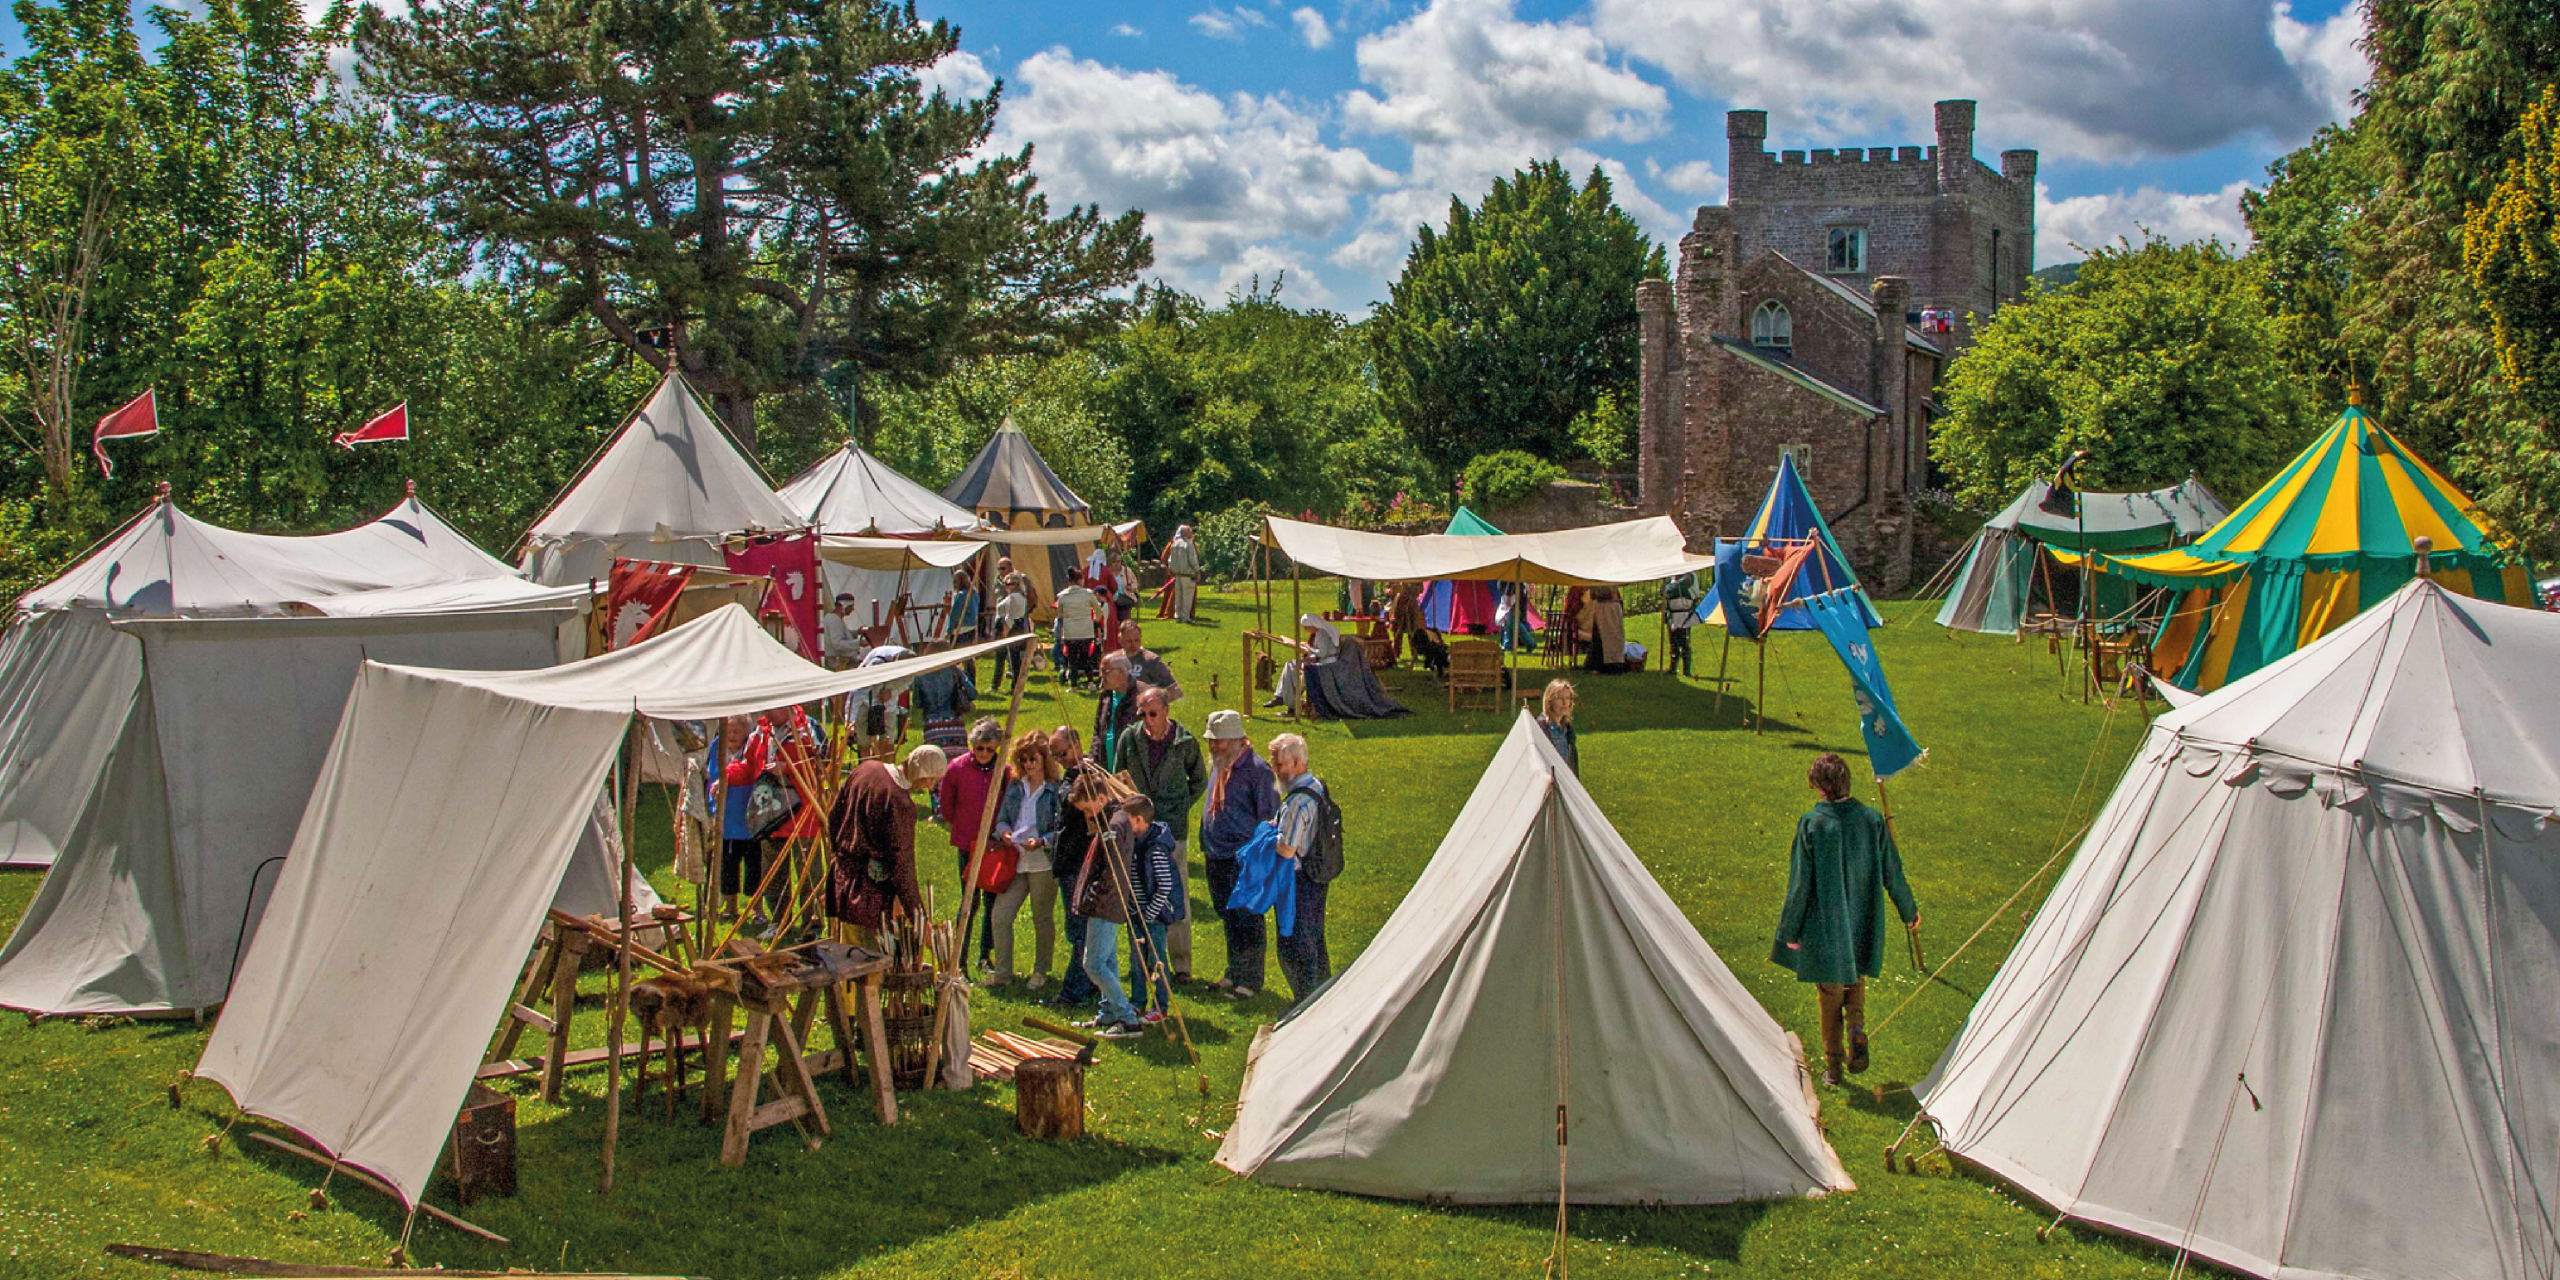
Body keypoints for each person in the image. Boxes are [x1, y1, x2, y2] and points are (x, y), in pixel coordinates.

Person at [1771, 752, 1920, 1087]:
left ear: (1824, 788)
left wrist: (1789, 931)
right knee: (1855, 982)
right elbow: (1892, 872)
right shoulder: (1871, 820)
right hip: (1861, 921)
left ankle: (1834, 1065)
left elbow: (1800, 884)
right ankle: (1856, 1028)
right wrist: (1909, 911)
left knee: (1830, 992)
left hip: (1828, 927)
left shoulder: (1813, 825)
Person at [1114, 687, 1204, 982]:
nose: (1147, 719)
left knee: (1174, 894)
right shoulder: (1130, 738)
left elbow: (1199, 781)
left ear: (1166, 710)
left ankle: (1181, 966)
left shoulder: (1185, 742)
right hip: (1138, 830)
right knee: (1138, 894)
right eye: (1143, 714)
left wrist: (1178, 806)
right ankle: (1142, 960)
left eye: (1153, 713)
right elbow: (1117, 778)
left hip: (1172, 829)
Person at [826, 744, 947, 938]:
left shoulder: (866, 768)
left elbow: (833, 819)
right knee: (868, 961)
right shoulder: (900, 803)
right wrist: (919, 920)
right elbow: (902, 866)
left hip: (843, 881)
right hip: (868, 898)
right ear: (920, 773)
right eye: (931, 779)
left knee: (847, 955)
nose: (930, 787)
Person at [1198, 710, 1279, 999]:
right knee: (1228, 916)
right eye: (1211, 740)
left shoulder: (1259, 771)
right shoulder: (1219, 765)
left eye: (1218, 741)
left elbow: (1270, 817)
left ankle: (1250, 980)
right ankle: (1234, 972)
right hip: (1216, 853)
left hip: (1244, 858)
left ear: (1236, 739)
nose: (1213, 746)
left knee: (1248, 919)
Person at [1064, 770, 1143, 1038]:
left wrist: (1094, 895)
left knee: (1094, 964)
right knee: (1107, 960)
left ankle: (1127, 1017)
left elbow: (1113, 870)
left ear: (1100, 798)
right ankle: (1107, 1012)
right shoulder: (1111, 818)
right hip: (1106, 901)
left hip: (1105, 902)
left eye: (1087, 808)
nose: (1087, 815)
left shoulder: (1114, 824)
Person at [985, 731, 1063, 989]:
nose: (1029, 764)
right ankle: (1002, 974)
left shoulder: (1056, 789)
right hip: (1015, 860)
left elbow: (1062, 829)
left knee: (1042, 918)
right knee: (1000, 916)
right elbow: (1003, 818)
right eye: (1023, 759)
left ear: (1044, 759)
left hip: (1043, 862)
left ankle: (1041, 971)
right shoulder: (1016, 786)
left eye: (1033, 759)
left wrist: (1042, 841)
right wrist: (1004, 832)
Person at [1270, 732, 1335, 1005]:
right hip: (1318, 874)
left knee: (1294, 943)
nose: (1276, 770)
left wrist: (1267, 839)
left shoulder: (1297, 801)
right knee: (1314, 937)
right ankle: (1323, 993)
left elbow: (1286, 849)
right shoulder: (1317, 787)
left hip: (1297, 878)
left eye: (1280, 764)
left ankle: (1305, 1001)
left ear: (1297, 763)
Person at [936, 718, 1008, 967]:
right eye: (980, 748)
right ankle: (960, 958)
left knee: (992, 901)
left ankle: (985, 956)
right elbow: (946, 806)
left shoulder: (1004, 771)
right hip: (968, 842)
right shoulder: (957, 768)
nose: (985, 754)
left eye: (990, 749)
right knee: (969, 901)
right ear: (972, 745)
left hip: (993, 844)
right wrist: (963, 827)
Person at [1046, 727, 1098, 1008]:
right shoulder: (1072, 774)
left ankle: (1074, 991)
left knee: (1079, 931)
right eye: (1055, 756)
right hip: (1068, 861)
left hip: (1080, 862)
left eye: (1063, 753)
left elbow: (1074, 804)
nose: (1060, 759)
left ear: (1077, 745)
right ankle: (1089, 983)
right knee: (1077, 929)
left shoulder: (1089, 776)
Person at [707, 715, 773, 925]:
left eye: (737, 731)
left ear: (746, 731)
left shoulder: (753, 746)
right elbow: (711, 776)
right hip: (727, 818)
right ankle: (730, 905)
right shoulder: (717, 748)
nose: (733, 735)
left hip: (751, 817)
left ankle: (757, 908)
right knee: (728, 865)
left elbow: (755, 772)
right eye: (729, 731)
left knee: (754, 866)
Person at [908, 639, 976, 751]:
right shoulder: (955, 671)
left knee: (934, 761)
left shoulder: (920, 675)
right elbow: (973, 693)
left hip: (931, 724)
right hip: (954, 723)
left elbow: (917, 702)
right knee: (957, 764)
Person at [1265, 613, 1340, 710]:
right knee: (1290, 665)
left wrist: (1307, 648)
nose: (1305, 630)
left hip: (1326, 664)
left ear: (1313, 625)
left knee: (1294, 668)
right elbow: (1318, 652)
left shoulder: (1322, 633)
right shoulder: (1317, 633)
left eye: (1306, 627)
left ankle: (1286, 700)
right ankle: (1281, 697)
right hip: (1320, 660)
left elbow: (1322, 653)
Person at [1108, 619, 1182, 702]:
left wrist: (1153, 704)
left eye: (1137, 640)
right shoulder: (1113, 660)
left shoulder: (1151, 660)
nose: (1133, 644)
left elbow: (1175, 691)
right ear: (1119, 639)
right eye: (1129, 641)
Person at [1091, 655, 1140, 771]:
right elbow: (1097, 731)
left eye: (1105, 671)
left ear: (1122, 672)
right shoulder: (1105, 696)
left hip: (1130, 771)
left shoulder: (1140, 697)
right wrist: (1093, 756)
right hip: (1105, 768)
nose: (1101, 676)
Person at [1054, 577, 1104, 686]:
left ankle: (1074, 685)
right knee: (1087, 657)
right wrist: (1096, 620)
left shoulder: (1062, 596)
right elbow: (1098, 610)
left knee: (1072, 659)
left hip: (1070, 631)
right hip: (1086, 630)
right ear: (1080, 580)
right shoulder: (1088, 594)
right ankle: (1090, 682)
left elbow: (1060, 614)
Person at [987, 576, 1030, 689]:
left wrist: (1004, 632)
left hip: (1010, 628)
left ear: (1016, 585)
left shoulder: (1013, 597)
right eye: (1005, 583)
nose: (1006, 586)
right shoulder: (1021, 597)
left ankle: (1001, 685)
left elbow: (1009, 617)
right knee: (1014, 659)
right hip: (1016, 626)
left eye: (1009, 583)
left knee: (1005, 658)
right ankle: (1014, 685)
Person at [1580, 585, 1629, 674]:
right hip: (1603, 607)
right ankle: (1600, 666)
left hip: (1609, 607)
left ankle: (1613, 665)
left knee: (1613, 638)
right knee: (1601, 639)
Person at [1537, 679, 1580, 774]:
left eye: (1568, 698)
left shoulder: (1567, 730)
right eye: (1560, 698)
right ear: (1550, 700)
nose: (1565, 703)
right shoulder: (1541, 728)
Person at [1662, 571, 1700, 678]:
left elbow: (1679, 587)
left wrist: (1670, 588)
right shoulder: (1671, 576)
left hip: (1684, 614)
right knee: (1673, 643)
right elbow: (1663, 591)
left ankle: (1686, 671)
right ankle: (1672, 668)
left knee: (1684, 643)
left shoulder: (1690, 575)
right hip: (1673, 614)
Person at [1164, 524, 1202, 623]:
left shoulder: (1174, 544)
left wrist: (1172, 570)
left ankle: (1178, 616)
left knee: (1178, 597)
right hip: (1188, 575)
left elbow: (1170, 560)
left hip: (1177, 575)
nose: (1191, 533)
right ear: (1185, 533)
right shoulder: (1188, 544)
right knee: (1187, 597)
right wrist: (1197, 571)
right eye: (1190, 531)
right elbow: (1192, 560)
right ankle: (1185, 617)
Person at [820, 593, 862, 669]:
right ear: (843, 606)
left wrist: (857, 632)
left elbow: (842, 635)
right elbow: (838, 644)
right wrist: (859, 643)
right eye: (850, 607)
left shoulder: (836, 619)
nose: (852, 609)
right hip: (835, 663)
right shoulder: (833, 620)